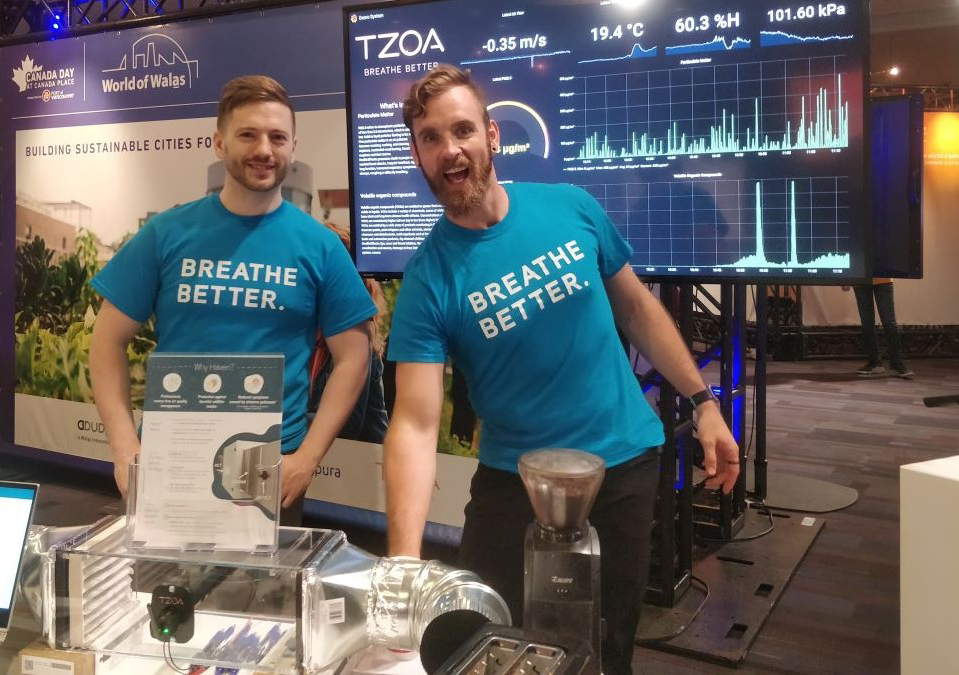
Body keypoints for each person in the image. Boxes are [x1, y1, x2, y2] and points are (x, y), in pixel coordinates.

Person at [382, 65, 740, 674]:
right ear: (417, 154)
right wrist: (404, 564)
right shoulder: (428, 278)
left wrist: (704, 402)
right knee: (482, 640)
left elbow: (638, 309)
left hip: (621, 463)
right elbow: (415, 424)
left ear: (492, 135)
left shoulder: (570, 207)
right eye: (431, 138)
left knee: (602, 644)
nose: (450, 150)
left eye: (462, 130)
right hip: (513, 484)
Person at [89, 75, 377, 525]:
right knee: (159, 592)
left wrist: (307, 458)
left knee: (258, 595)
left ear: (293, 147)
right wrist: (124, 445)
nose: (264, 149)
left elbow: (354, 357)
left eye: (277, 137)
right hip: (171, 456)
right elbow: (106, 341)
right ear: (219, 143)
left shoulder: (320, 246)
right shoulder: (167, 233)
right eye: (248, 134)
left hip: (267, 464)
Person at [307, 220, 389, 444]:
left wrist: (278, 421)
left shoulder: (357, 336)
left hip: (351, 468)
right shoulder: (306, 334)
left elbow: (347, 425)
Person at [852, 278, 912, 379]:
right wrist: (847, 279)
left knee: (889, 323)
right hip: (860, 279)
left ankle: (896, 364)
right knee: (867, 323)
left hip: (883, 278)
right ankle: (874, 363)